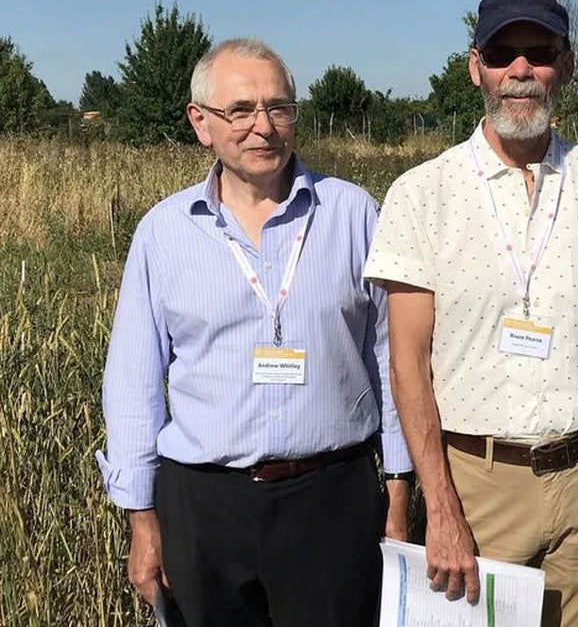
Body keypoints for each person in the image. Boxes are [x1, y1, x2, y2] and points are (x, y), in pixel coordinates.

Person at [96, 38, 412, 627]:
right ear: (201, 123)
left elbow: (390, 360)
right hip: (205, 506)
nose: (262, 127)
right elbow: (133, 384)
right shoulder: (164, 233)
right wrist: (142, 521)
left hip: (333, 500)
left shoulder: (353, 214)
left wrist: (397, 491)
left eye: (279, 107)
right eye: (239, 110)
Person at [364, 0, 578, 627]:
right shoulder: (421, 194)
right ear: (476, 68)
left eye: (539, 53)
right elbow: (407, 363)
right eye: (502, 54)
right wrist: (438, 506)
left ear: (566, 66)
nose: (520, 70)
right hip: (479, 484)